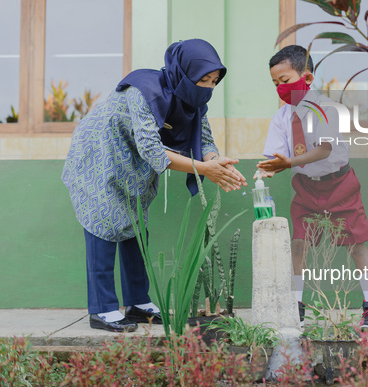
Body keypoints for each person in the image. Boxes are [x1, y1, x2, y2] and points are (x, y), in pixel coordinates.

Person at [62, 39, 247, 333]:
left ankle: (137, 303)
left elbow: (204, 139)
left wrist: (215, 161)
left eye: (214, 82)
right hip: (100, 154)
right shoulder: (143, 91)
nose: (208, 88)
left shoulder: (194, 102)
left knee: (135, 225)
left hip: (132, 164)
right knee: (103, 224)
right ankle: (102, 309)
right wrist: (204, 169)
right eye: (203, 80)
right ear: (184, 73)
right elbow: (152, 150)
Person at [256, 45, 368, 332]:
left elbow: (325, 150)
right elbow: (275, 157)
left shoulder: (325, 108)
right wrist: (265, 170)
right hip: (305, 187)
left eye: (285, 81)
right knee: (298, 244)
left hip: (340, 183)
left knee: (356, 245)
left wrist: (287, 163)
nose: (280, 88)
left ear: (307, 78)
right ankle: (296, 305)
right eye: (275, 83)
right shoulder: (281, 118)